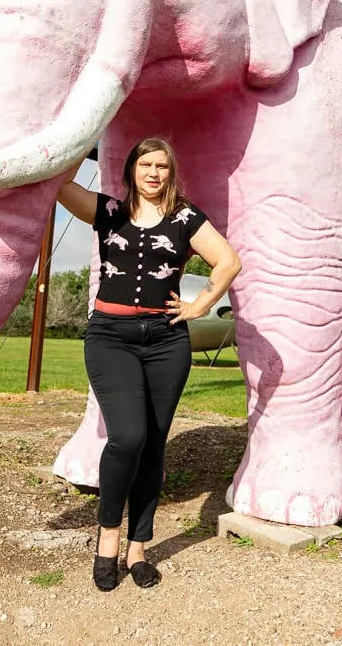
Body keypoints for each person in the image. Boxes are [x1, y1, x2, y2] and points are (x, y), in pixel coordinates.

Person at [56, 137, 241, 591]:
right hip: (110, 338)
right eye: (146, 164)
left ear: (169, 172)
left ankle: (139, 548)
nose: (154, 172)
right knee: (128, 437)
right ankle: (107, 541)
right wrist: (85, 137)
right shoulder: (109, 213)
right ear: (131, 170)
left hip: (165, 341)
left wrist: (200, 306)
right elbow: (59, 183)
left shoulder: (186, 218)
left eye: (162, 165)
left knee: (154, 443)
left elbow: (228, 261)